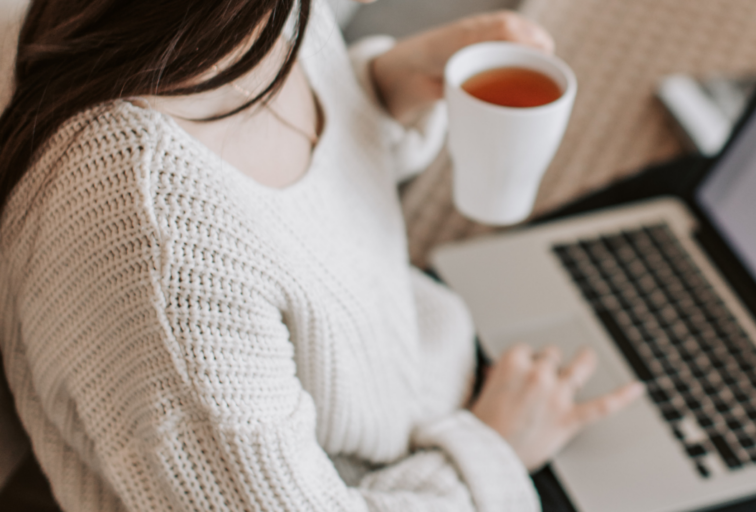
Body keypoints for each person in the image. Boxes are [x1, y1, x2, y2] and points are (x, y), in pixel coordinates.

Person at [0, 0, 642, 510]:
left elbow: (287, 214)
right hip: (422, 475)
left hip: (428, 385)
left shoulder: (242, 22)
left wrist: (375, 95)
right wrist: (488, 451)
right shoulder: (157, 249)